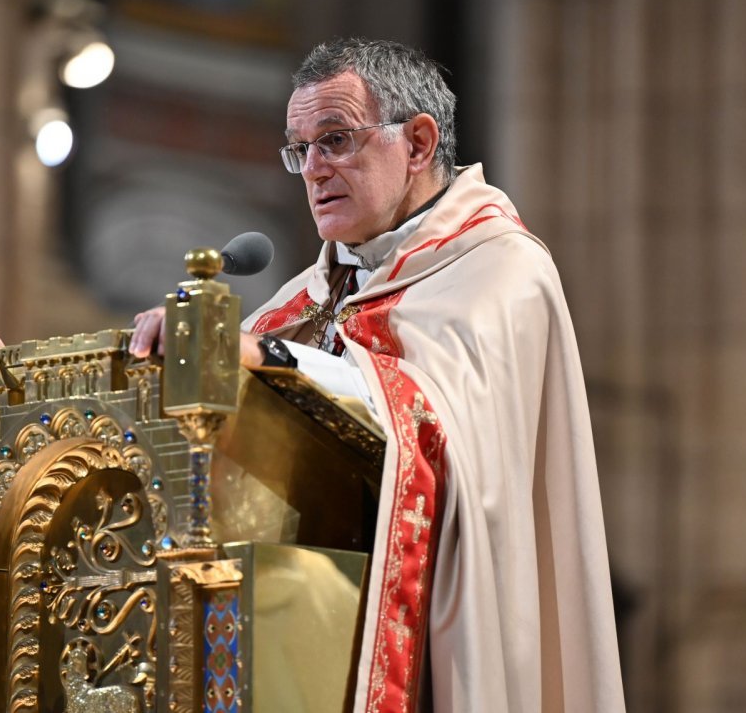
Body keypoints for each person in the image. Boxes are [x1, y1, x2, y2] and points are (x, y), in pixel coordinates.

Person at [129, 38, 625, 712]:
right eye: (299, 148)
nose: (312, 169)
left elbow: (441, 430)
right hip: (295, 645)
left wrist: (266, 360)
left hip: (425, 650)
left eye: (334, 139)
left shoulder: (501, 270)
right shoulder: (297, 302)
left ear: (418, 144)